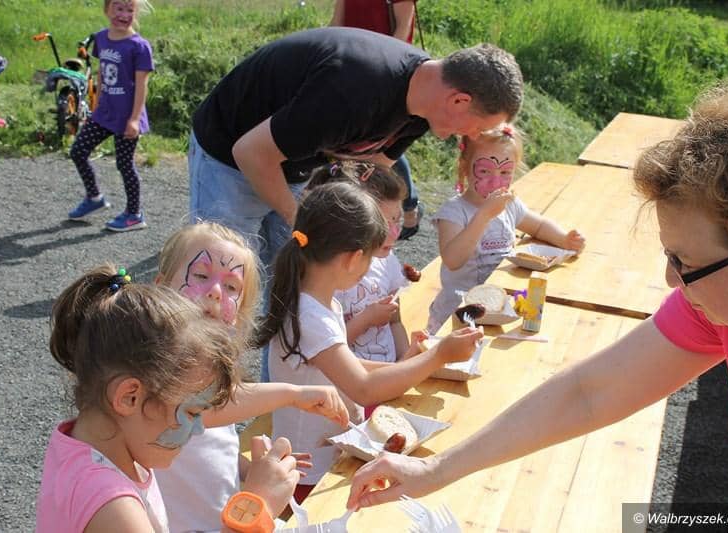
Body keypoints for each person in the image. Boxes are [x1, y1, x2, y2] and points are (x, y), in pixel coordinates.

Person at [345, 72, 728, 526]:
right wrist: (436, 469)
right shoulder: (722, 305)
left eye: (685, 262)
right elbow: (588, 393)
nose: (671, 280)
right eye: (670, 257)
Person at [189, 26, 522, 380]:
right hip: (231, 157)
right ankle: (206, 398)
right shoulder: (352, 90)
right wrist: (300, 219)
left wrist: (371, 239)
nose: (472, 136)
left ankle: (281, 399)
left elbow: (370, 172)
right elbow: (250, 152)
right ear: (459, 101)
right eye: (478, 127)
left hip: (292, 160)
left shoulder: (422, 109)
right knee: (223, 288)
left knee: (297, 286)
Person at [253, 182, 483, 502]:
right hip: (309, 474)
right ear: (353, 258)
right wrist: (438, 356)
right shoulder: (311, 317)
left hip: (326, 457)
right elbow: (363, 387)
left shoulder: (320, 303)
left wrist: (412, 362)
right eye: (371, 258)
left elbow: (349, 366)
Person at [35, 265, 301, 532]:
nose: (199, 428)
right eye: (192, 413)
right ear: (129, 398)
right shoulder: (112, 505)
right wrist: (257, 506)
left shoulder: (95, 449)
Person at [152, 221, 350, 533]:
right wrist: (293, 394)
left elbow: (207, 446)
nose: (215, 292)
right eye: (201, 276)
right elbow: (205, 409)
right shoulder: (154, 363)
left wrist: (251, 470)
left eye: (232, 287)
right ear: (160, 287)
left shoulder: (210, 370)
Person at [427, 125, 585, 333]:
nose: (495, 181)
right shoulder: (454, 212)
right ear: (464, 167)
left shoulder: (509, 205)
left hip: (498, 309)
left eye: (504, 172)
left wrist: (564, 239)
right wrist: (484, 215)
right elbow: (452, 260)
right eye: (484, 171)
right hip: (457, 316)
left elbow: (538, 226)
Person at [308, 161, 427, 365]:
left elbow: (395, 321)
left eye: (397, 221)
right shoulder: (328, 276)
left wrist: (405, 360)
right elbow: (322, 350)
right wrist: (366, 320)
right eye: (383, 224)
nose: (394, 233)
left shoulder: (387, 262)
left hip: (387, 374)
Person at [329, 0, 424, 238]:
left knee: (386, 142)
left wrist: (386, 72)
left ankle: (408, 205)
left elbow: (403, 28)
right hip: (350, 70)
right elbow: (337, 23)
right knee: (364, 142)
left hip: (385, 76)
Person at [67, 0, 153, 232]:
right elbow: (102, 72)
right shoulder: (102, 38)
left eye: (129, 10)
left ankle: (134, 215)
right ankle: (94, 197)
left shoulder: (139, 46)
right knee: (78, 151)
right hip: (104, 113)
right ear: (107, 9)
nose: (123, 14)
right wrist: (97, 104)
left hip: (127, 116)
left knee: (124, 164)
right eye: (118, 8)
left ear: (135, 13)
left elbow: (142, 86)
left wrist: (134, 119)